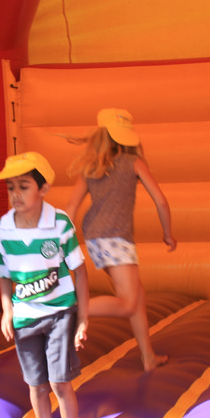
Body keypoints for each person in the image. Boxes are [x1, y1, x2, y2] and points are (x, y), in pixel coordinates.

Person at [0, 152, 89, 418]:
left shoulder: (59, 224)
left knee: (59, 380)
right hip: (25, 317)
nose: (15, 194)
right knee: (36, 383)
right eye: (10, 188)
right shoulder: (2, 231)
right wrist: (7, 310)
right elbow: (3, 275)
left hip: (59, 312)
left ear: (43, 189)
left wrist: (83, 318)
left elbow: (79, 270)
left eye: (24, 186)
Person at [65, 108, 176, 372]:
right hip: (115, 238)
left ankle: (148, 357)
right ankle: (68, 308)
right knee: (127, 304)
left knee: (137, 296)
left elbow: (70, 208)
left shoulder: (91, 168)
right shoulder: (134, 163)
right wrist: (167, 233)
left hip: (95, 238)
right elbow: (161, 201)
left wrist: (61, 241)